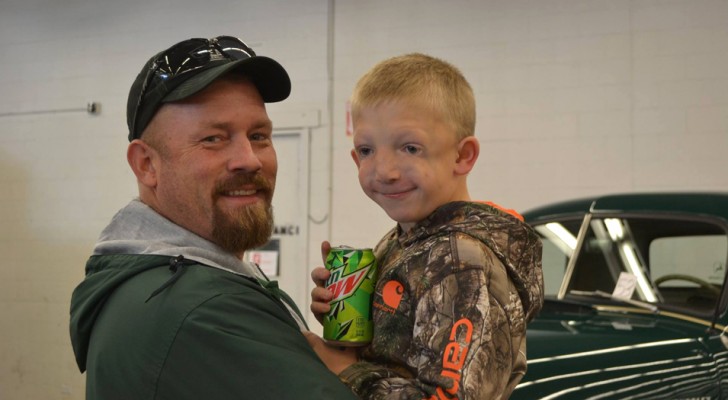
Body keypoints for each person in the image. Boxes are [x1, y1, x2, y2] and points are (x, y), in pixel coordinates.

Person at [69, 35, 357, 400]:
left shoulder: (156, 278)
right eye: (213, 139)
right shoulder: (202, 310)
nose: (250, 159)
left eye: (259, 135)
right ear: (147, 164)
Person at [306, 53, 545, 399]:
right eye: (367, 150)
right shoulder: (406, 240)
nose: (384, 170)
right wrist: (349, 328)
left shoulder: (462, 261)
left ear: (462, 156)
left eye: (410, 148)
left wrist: (348, 371)